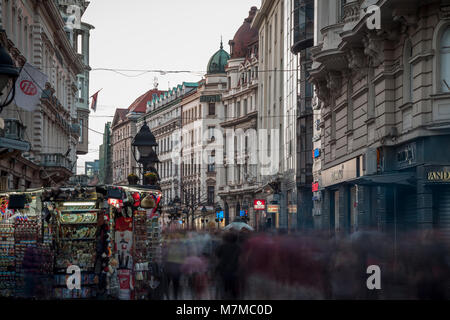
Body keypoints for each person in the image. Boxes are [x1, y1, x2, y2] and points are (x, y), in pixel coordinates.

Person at [215, 231, 242, 300]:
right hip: (235, 271)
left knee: (224, 289)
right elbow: (241, 259)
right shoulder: (238, 248)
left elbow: (217, 258)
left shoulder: (221, 247)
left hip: (223, 271)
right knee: (234, 292)